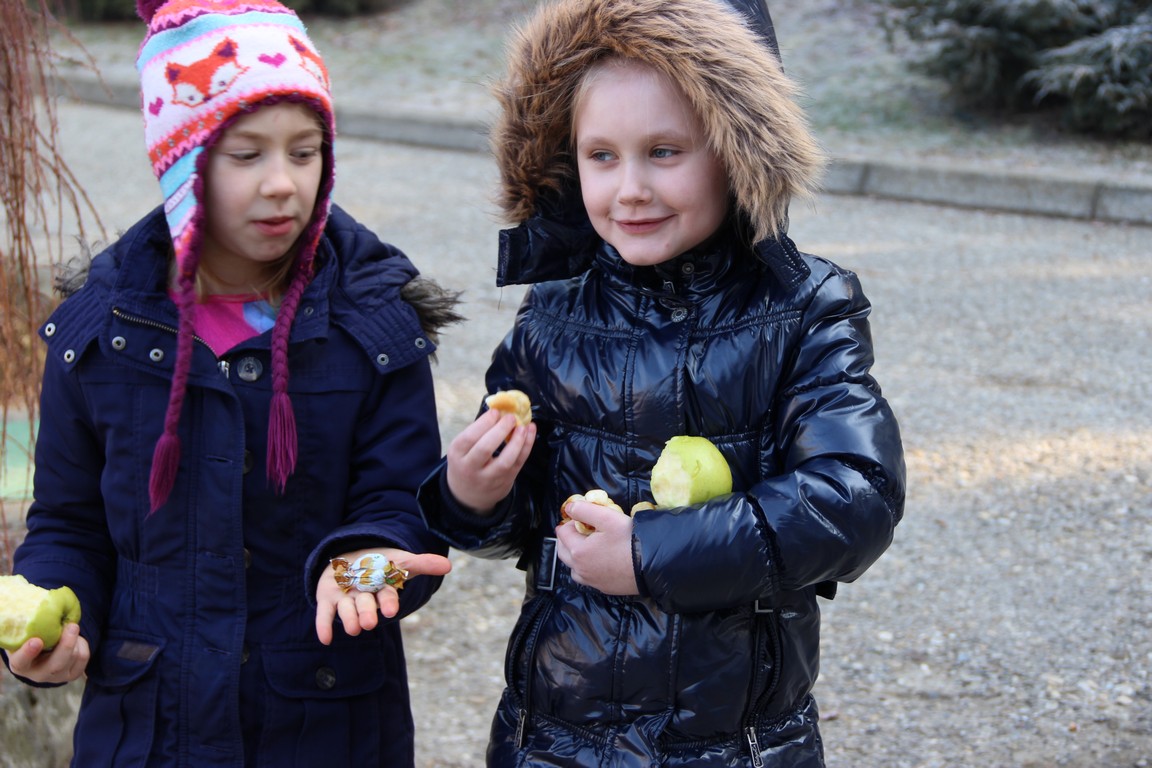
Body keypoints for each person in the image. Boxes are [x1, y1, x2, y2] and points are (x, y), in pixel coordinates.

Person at [417, 0, 906, 765]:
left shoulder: (803, 309)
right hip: (554, 734)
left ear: (738, 148)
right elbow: (530, 523)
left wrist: (651, 553)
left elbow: (855, 496)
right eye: (601, 156)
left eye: (665, 151)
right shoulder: (552, 314)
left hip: (729, 743)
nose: (630, 188)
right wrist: (472, 496)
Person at [1, 0, 457, 763]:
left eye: (305, 153)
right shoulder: (101, 335)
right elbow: (68, 522)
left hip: (325, 723)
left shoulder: (374, 327)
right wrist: (56, 613)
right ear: (182, 165)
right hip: (148, 730)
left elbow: (401, 503)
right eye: (246, 155)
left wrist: (368, 562)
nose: (283, 184)